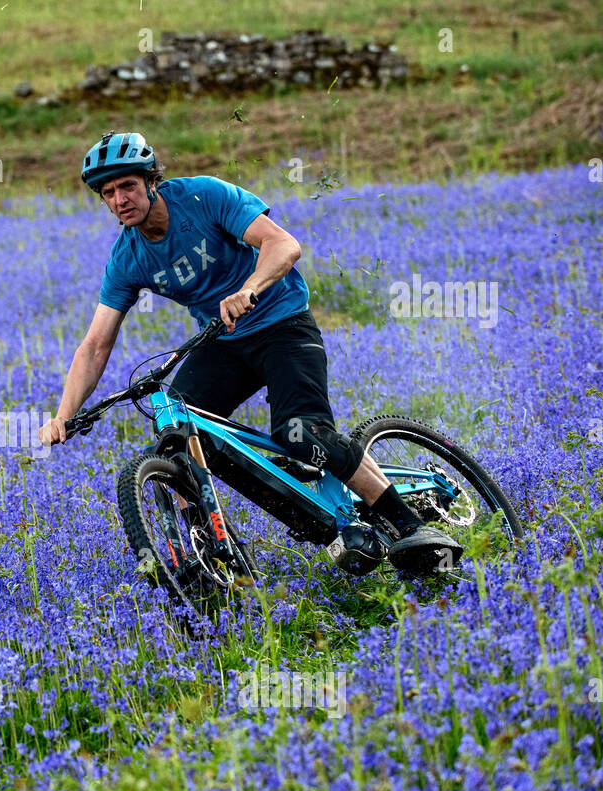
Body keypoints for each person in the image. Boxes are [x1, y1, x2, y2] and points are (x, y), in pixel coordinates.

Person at [38, 130, 460, 572]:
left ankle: (410, 525)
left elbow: (284, 244)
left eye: (127, 185)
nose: (120, 198)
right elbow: (96, 344)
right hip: (221, 342)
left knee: (301, 432)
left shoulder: (204, 197)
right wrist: (64, 415)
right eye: (109, 193)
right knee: (182, 438)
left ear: (151, 181)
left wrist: (249, 289)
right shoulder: (128, 257)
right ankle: (209, 557)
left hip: (282, 324)